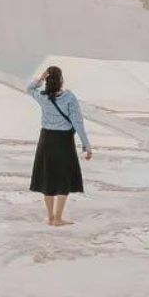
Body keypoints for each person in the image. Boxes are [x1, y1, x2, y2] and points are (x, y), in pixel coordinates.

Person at [26, 65, 92, 226]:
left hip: (46, 139)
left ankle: (50, 217)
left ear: (47, 80)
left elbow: (29, 88)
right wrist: (86, 145)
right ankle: (58, 218)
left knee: (47, 176)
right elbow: (78, 122)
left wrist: (40, 78)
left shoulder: (42, 96)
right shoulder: (69, 97)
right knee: (64, 177)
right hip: (63, 140)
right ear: (61, 79)